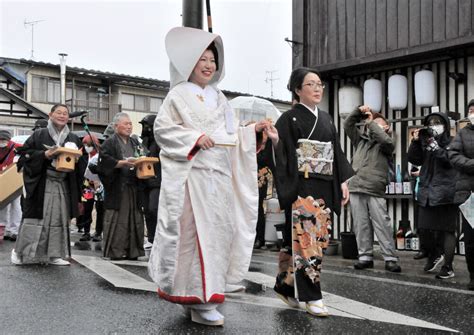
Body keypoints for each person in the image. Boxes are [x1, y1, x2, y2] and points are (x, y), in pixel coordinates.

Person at [147, 27, 277, 326]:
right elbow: (163, 130)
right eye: (202, 59)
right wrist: (194, 137)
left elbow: (230, 136)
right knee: (193, 238)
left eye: (212, 60)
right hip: (192, 176)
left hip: (217, 179)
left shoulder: (219, 98)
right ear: (190, 62)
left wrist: (252, 132)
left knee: (217, 236)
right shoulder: (177, 95)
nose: (208, 65)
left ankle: (202, 297)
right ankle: (197, 299)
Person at [269, 67, 354, 317]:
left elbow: (336, 152)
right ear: (297, 89)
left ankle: (285, 285)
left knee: (316, 241)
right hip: (302, 186)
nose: (318, 89)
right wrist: (275, 141)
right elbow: (281, 153)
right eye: (311, 84)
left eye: (320, 84)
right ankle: (312, 297)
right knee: (306, 242)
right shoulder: (288, 119)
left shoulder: (326, 119)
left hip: (325, 185)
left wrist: (342, 182)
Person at [11, 104, 85, 265]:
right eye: (58, 112)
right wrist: (45, 154)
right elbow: (24, 155)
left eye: (65, 113)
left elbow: (81, 164)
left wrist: (78, 158)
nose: (62, 116)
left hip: (62, 183)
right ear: (50, 115)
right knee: (35, 219)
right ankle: (20, 252)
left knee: (59, 219)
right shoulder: (39, 134)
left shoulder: (72, 138)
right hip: (42, 183)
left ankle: (55, 254)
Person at [343, 106, 401, 272]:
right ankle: (365, 257)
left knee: (382, 223)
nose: (371, 125)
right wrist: (358, 112)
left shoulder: (387, 143)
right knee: (360, 225)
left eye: (377, 124)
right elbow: (347, 124)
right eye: (370, 123)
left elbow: (386, 141)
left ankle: (390, 258)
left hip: (375, 188)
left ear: (386, 128)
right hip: (356, 185)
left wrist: (370, 122)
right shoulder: (360, 140)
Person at [408, 112, 458, 279]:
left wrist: (435, 147)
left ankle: (448, 266)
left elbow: (450, 160)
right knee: (423, 228)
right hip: (427, 192)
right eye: (430, 123)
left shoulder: (452, 141)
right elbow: (414, 159)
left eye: (437, 122)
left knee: (447, 230)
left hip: (446, 193)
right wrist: (416, 142)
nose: (434, 125)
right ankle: (435, 254)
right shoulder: (425, 141)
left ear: (445, 124)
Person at [97, 112, 145, 260]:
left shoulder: (135, 142)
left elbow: (144, 155)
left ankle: (133, 251)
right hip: (118, 186)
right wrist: (120, 163)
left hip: (133, 186)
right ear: (116, 126)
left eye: (130, 124)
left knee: (135, 218)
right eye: (126, 124)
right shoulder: (110, 143)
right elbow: (103, 162)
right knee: (118, 220)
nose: (129, 127)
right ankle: (115, 251)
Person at [448, 100, 474, 290]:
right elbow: (453, 155)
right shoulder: (463, 133)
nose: (472, 113)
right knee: (471, 237)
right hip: (468, 192)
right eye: (471, 111)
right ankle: (473, 275)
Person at [138, 114, 161, 250]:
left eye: (147, 126)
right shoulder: (144, 141)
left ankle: (157, 237)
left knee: (154, 209)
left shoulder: (159, 141)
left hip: (157, 180)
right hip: (145, 181)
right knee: (147, 210)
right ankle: (151, 238)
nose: (145, 128)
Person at [77, 134, 104, 242]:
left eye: (88, 144)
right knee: (87, 208)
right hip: (86, 185)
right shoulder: (82, 155)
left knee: (100, 208)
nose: (86, 147)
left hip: (99, 185)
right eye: (84, 144)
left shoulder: (101, 155)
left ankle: (98, 232)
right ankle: (86, 231)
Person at [0, 129, 22, 241]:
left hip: (14, 179)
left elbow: (27, 152)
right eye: (1, 139)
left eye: (4, 139)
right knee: (2, 205)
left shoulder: (17, 147)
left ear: (9, 140)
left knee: (16, 204)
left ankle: (15, 230)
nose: (2, 142)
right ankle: (4, 229)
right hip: (2, 179)